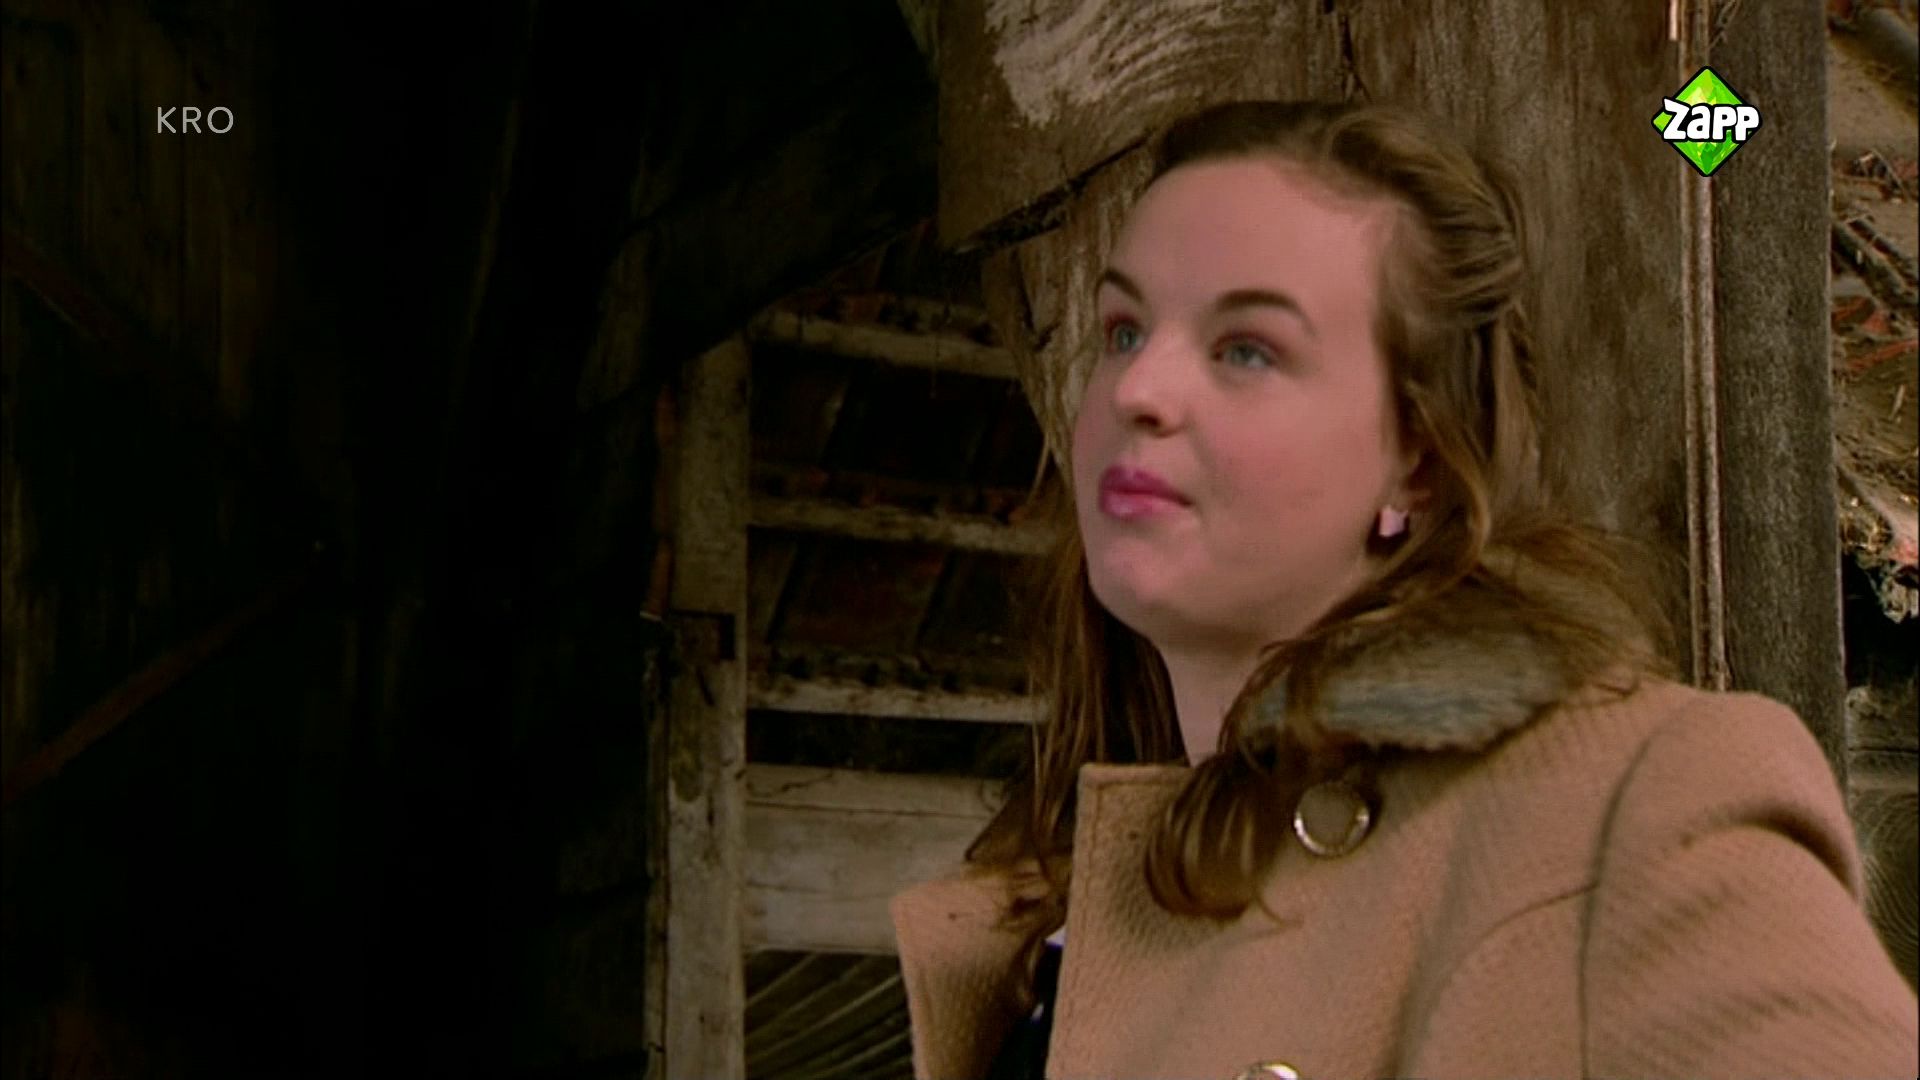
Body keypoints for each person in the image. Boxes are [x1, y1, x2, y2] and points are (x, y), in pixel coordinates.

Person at [888, 99, 1920, 1080]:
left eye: (1247, 349)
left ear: (1416, 463)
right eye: (1124, 329)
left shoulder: (1631, 804)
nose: (1139, 389)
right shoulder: (1053, 913)